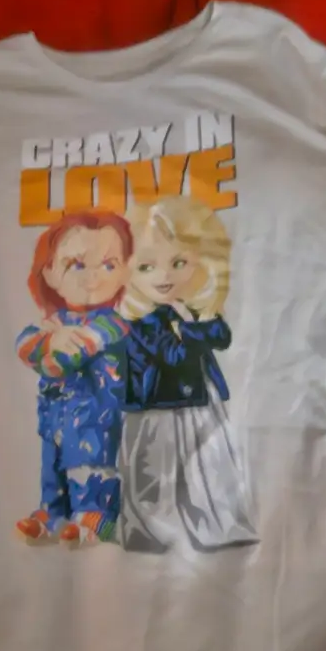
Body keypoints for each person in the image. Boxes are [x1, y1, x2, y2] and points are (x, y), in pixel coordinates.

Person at [118, 196, 258, 554]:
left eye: (178, 263)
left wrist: (193, 327)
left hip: (199, 398)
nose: (164, 277)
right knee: (152, 471)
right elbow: (174, 354)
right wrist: (196, 332)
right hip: (156, 404)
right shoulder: (143, 322)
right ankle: (148, 532)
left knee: (212, 464)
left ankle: (219, 524)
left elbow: (221, 336)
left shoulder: (189, 309)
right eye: (146, 267)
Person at [15, 210, 131, 546]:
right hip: (54, 415)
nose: (92, 277)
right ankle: (51, 514)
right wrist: (49, 342)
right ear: (50, 273)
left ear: (125, 271)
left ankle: (96, 518)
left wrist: (53, 351)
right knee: (52, 466)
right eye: (77, 265)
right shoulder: (54, 322)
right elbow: (24, 344)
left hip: (96, 417)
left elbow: (72, 355)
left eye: (107, 265)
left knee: (90, 468)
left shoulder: (112, 324)